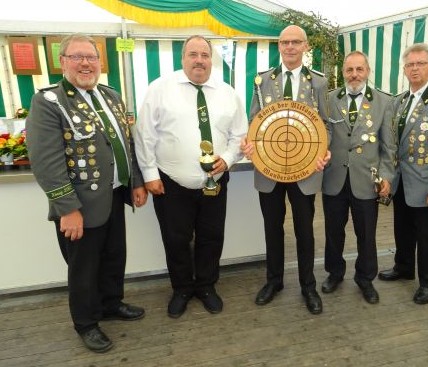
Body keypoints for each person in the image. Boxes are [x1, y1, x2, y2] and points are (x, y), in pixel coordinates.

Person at [26, 34, 148, 353]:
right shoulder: (49, 101)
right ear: (62, 61)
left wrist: (134, 182)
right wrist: (67, 207)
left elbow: (126, 144)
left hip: (115, 196)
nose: (85, 63)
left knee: (113, 257)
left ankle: (111, 304)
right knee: (83, 269)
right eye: (77, 57)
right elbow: (45, 159)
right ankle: (86, 322)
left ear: (99, 62)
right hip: (79, 204)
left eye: (91, 57)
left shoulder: (111, 96)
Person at [134, 35, 248, 319]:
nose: (199, 60)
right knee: (176, 238)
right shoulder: (159, 89)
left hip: (216, 182)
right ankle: (182, 288)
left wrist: (230, 158)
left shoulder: (227, 92)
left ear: (212, 59)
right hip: (171, 182)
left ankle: (207, 286)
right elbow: (144, 135)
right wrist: (149, 174)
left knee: (212, 236)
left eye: (205, 55)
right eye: (193, 54)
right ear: (183, 58)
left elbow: (239, 135)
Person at [241, 25, 330, 315]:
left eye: (296, 42)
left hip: (305, 170)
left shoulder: (318, 82)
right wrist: (250, 145)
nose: (290, 47)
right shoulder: (261, 80)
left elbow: (325, 125)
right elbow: (254, 120)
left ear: (306, 47)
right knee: (272, 228)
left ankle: (308, 286)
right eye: (284, 42)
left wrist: (323, 152)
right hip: (268, 168)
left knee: (305, 230)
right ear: (279, 46)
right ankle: (274, 281)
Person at [378, 43, 428, 305]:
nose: (415, 69)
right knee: (402, 229)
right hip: (402, 181)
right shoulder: (399, 100)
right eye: (410, 65)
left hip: (426, 184)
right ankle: (403, 267)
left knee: (427, 236)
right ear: (404, 69)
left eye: (420, 64)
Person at [321, 51, 396, 304]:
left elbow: (389, 146)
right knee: (333, 231)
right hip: (334, 178)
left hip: (366, 180)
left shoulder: (384, 102)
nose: (354, 75)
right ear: (343, 72)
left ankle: (365, 279)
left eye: (359, 70)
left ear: (368, 71)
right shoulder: (329, 99)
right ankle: (334, 272)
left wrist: (386, 176)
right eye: (349, 70)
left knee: (366, 234)